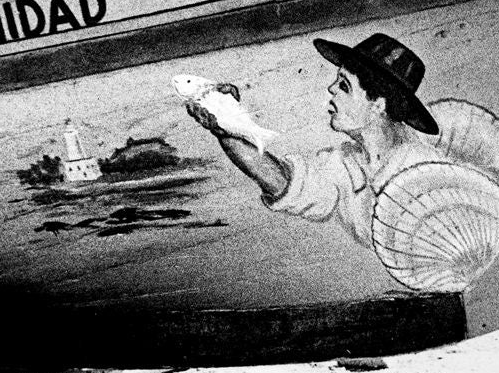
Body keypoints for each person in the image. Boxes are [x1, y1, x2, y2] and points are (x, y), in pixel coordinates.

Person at [186, 32, 441, 248]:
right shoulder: (345, 162)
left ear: (378, 105)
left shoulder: (422, 169)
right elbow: (284, 182)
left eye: (344, 86)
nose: (331, 89)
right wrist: (226, 130)